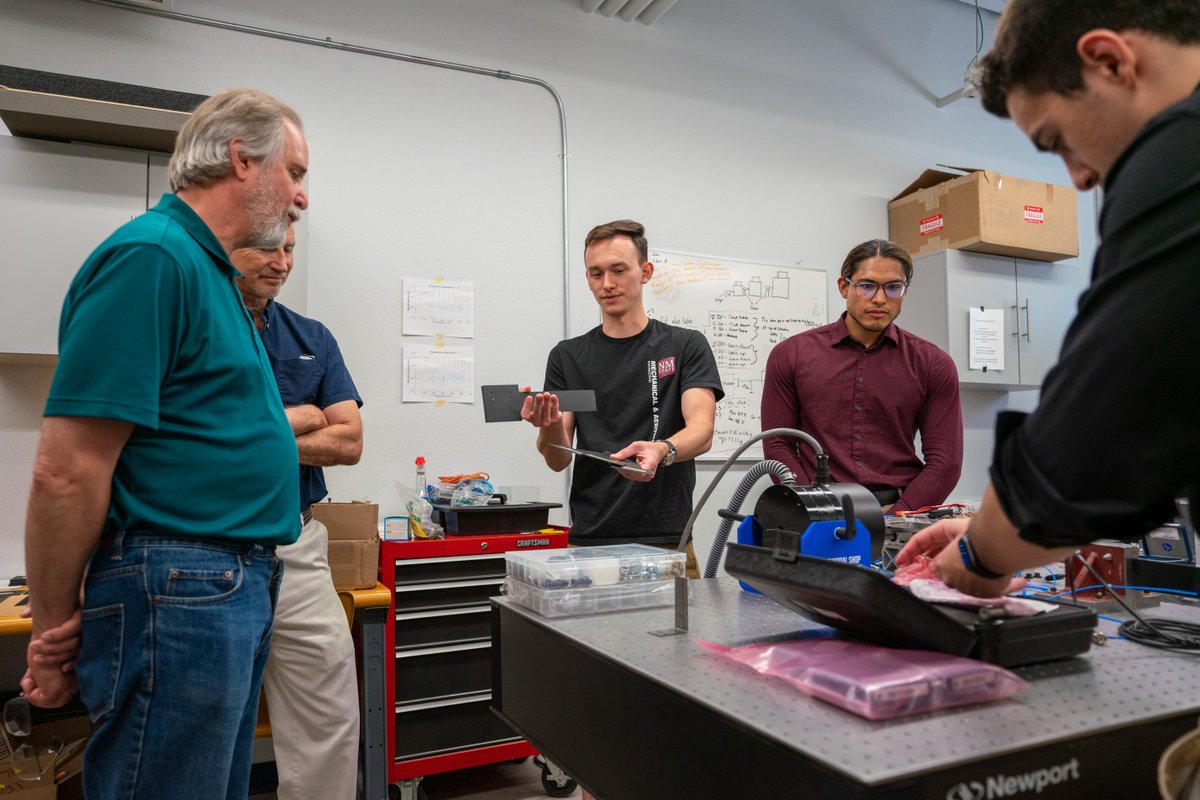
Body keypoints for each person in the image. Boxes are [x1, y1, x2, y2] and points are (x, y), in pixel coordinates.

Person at [21, 87, 309, 800]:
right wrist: (54, 628)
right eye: (295, 172)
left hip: (222, 586)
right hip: (183, 587)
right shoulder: (154, 257)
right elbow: (67, 469)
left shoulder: (212, 273)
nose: (302, 198)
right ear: (243, 159)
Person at [896, 0, 1200, 598]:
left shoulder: (1181, 151)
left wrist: (983, 554)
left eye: (1056, 139)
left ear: (1110, 61)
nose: (1080, 178)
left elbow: (1094, 439)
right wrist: (995, 529)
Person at [231, 222, 364, 800]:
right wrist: (305, 415)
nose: (282, 262)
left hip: (300, 543)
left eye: (289, 248)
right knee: (218, 723)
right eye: (267, 248)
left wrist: (265, 430)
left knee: (330, 716)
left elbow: (350, 443)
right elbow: (209, 437)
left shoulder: (311, 335)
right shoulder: (205, 327)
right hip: (219, 550)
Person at [521, 219, 724, 567]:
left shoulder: (685, 346)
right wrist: (549, 424)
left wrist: (662, 450)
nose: (608, 284)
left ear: (645, 272)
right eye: (595, 273)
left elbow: (702, 431)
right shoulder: (568, 356)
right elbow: (557, 458)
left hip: (666, 540)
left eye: (618, 270)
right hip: (590, 543)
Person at [761, 239, 963, 512]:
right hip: (816, 511)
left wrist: (898, 517)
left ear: (904, 291)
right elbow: (778, 444)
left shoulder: (933, 364)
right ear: (844, 287)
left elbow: (945, 461)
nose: (880, 299)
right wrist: (813, 506)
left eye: (893, 287)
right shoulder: (791, 355)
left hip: (900, 512)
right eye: (867, 286)